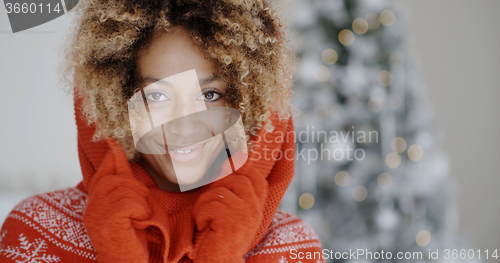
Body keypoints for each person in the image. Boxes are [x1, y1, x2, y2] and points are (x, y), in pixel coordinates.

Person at [0, 0, 325, 262]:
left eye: (209, 95)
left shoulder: (288, 247)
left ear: (248, 104)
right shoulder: (37, 228)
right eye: (156, 96)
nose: (184, 125)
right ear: (115, 103)